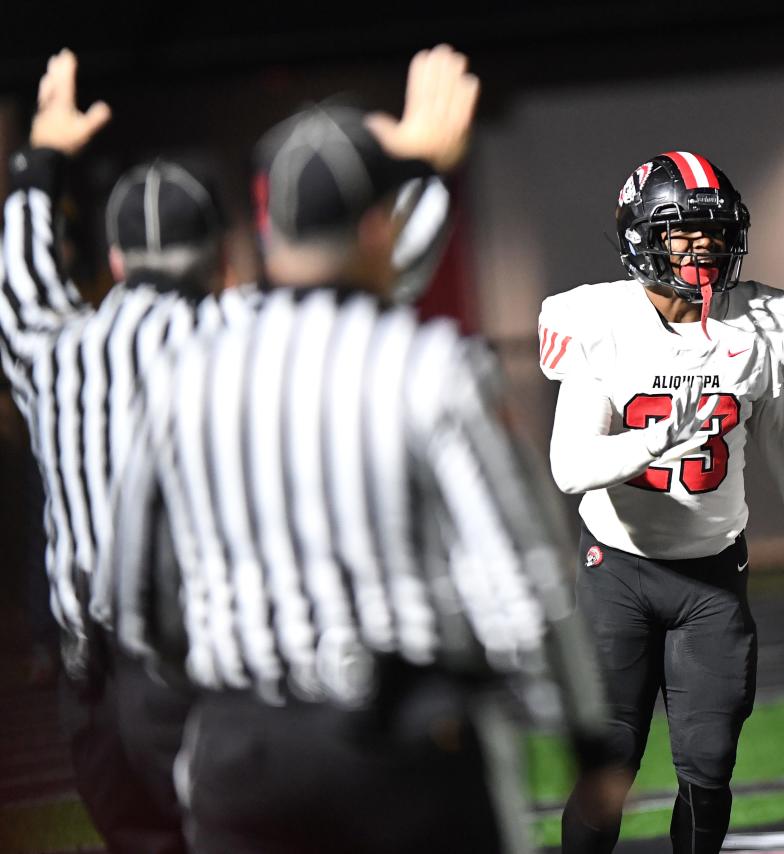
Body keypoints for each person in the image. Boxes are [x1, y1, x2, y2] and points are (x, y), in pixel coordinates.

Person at [103, 45, 619, 854]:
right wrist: (585, 734)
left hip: (241, 749)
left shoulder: (182, 375)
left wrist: (221, 688)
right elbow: (526, 570)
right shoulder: (429, 366)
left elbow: (133, 594)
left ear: (265, 233)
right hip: (402, 742)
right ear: (380, 228)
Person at [537, 151, 784, 854]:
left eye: (716, 232)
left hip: (712, 580)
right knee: (606, 766)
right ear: (642, 237)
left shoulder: (759, 324)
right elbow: (570, 467)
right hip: (617, 572)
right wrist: (655, 438)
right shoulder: (596, 321)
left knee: (709, 766)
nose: (704, 246)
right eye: (683, 232)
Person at [0, 49, 258, 853]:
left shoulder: (53, 354)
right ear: (218, 256)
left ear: (113, 261)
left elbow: (18, 281)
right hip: (212, 667)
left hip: (96, 680)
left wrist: (39, 160)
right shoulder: (237, 334)